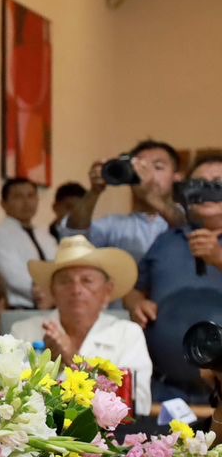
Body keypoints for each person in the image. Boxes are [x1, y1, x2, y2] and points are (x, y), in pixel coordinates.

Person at [11, 237, 153, 417]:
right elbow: (9, 400)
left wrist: (73, 361)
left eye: (87, 280)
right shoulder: (22, 332)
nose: (76, 289)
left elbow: (139, 404)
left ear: (107, 291)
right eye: (65, 281)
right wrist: (46, 366)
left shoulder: (128, 334)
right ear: (52, 291)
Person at [125, 154, 222, 404]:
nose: (207, 190)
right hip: (165, 391)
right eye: (199, 182)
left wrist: (218, 259)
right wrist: (136, 303)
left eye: (217, 182)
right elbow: (133, 290)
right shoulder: (166, 239)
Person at [60, 140, 186, 262]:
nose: (147, 174)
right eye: (140, 168)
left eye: (158, 167)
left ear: (177, 177)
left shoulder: (191, 213)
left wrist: (149, 194)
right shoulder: (116, 226)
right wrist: (94, 191)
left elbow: (187, 229)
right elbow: (74, 238)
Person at [0, 177, 58, 309]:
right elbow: (14, 276)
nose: (26, 202)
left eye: (31, 196)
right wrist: (44, 293)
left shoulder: (45, 235)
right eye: (18, 197)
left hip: (54, 305)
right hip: (21, 308)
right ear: (3, 203)